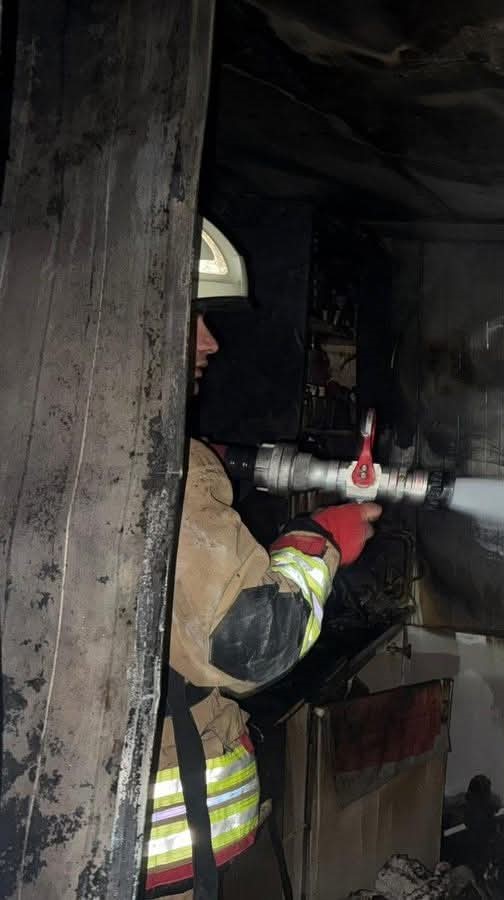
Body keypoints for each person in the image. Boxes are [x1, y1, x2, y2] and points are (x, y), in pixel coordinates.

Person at [143, 220, 381, 897]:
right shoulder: (158, 466)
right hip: (149, 863)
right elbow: (251, 643)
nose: (210, 341)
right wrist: (320, 541)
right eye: (190, 317)